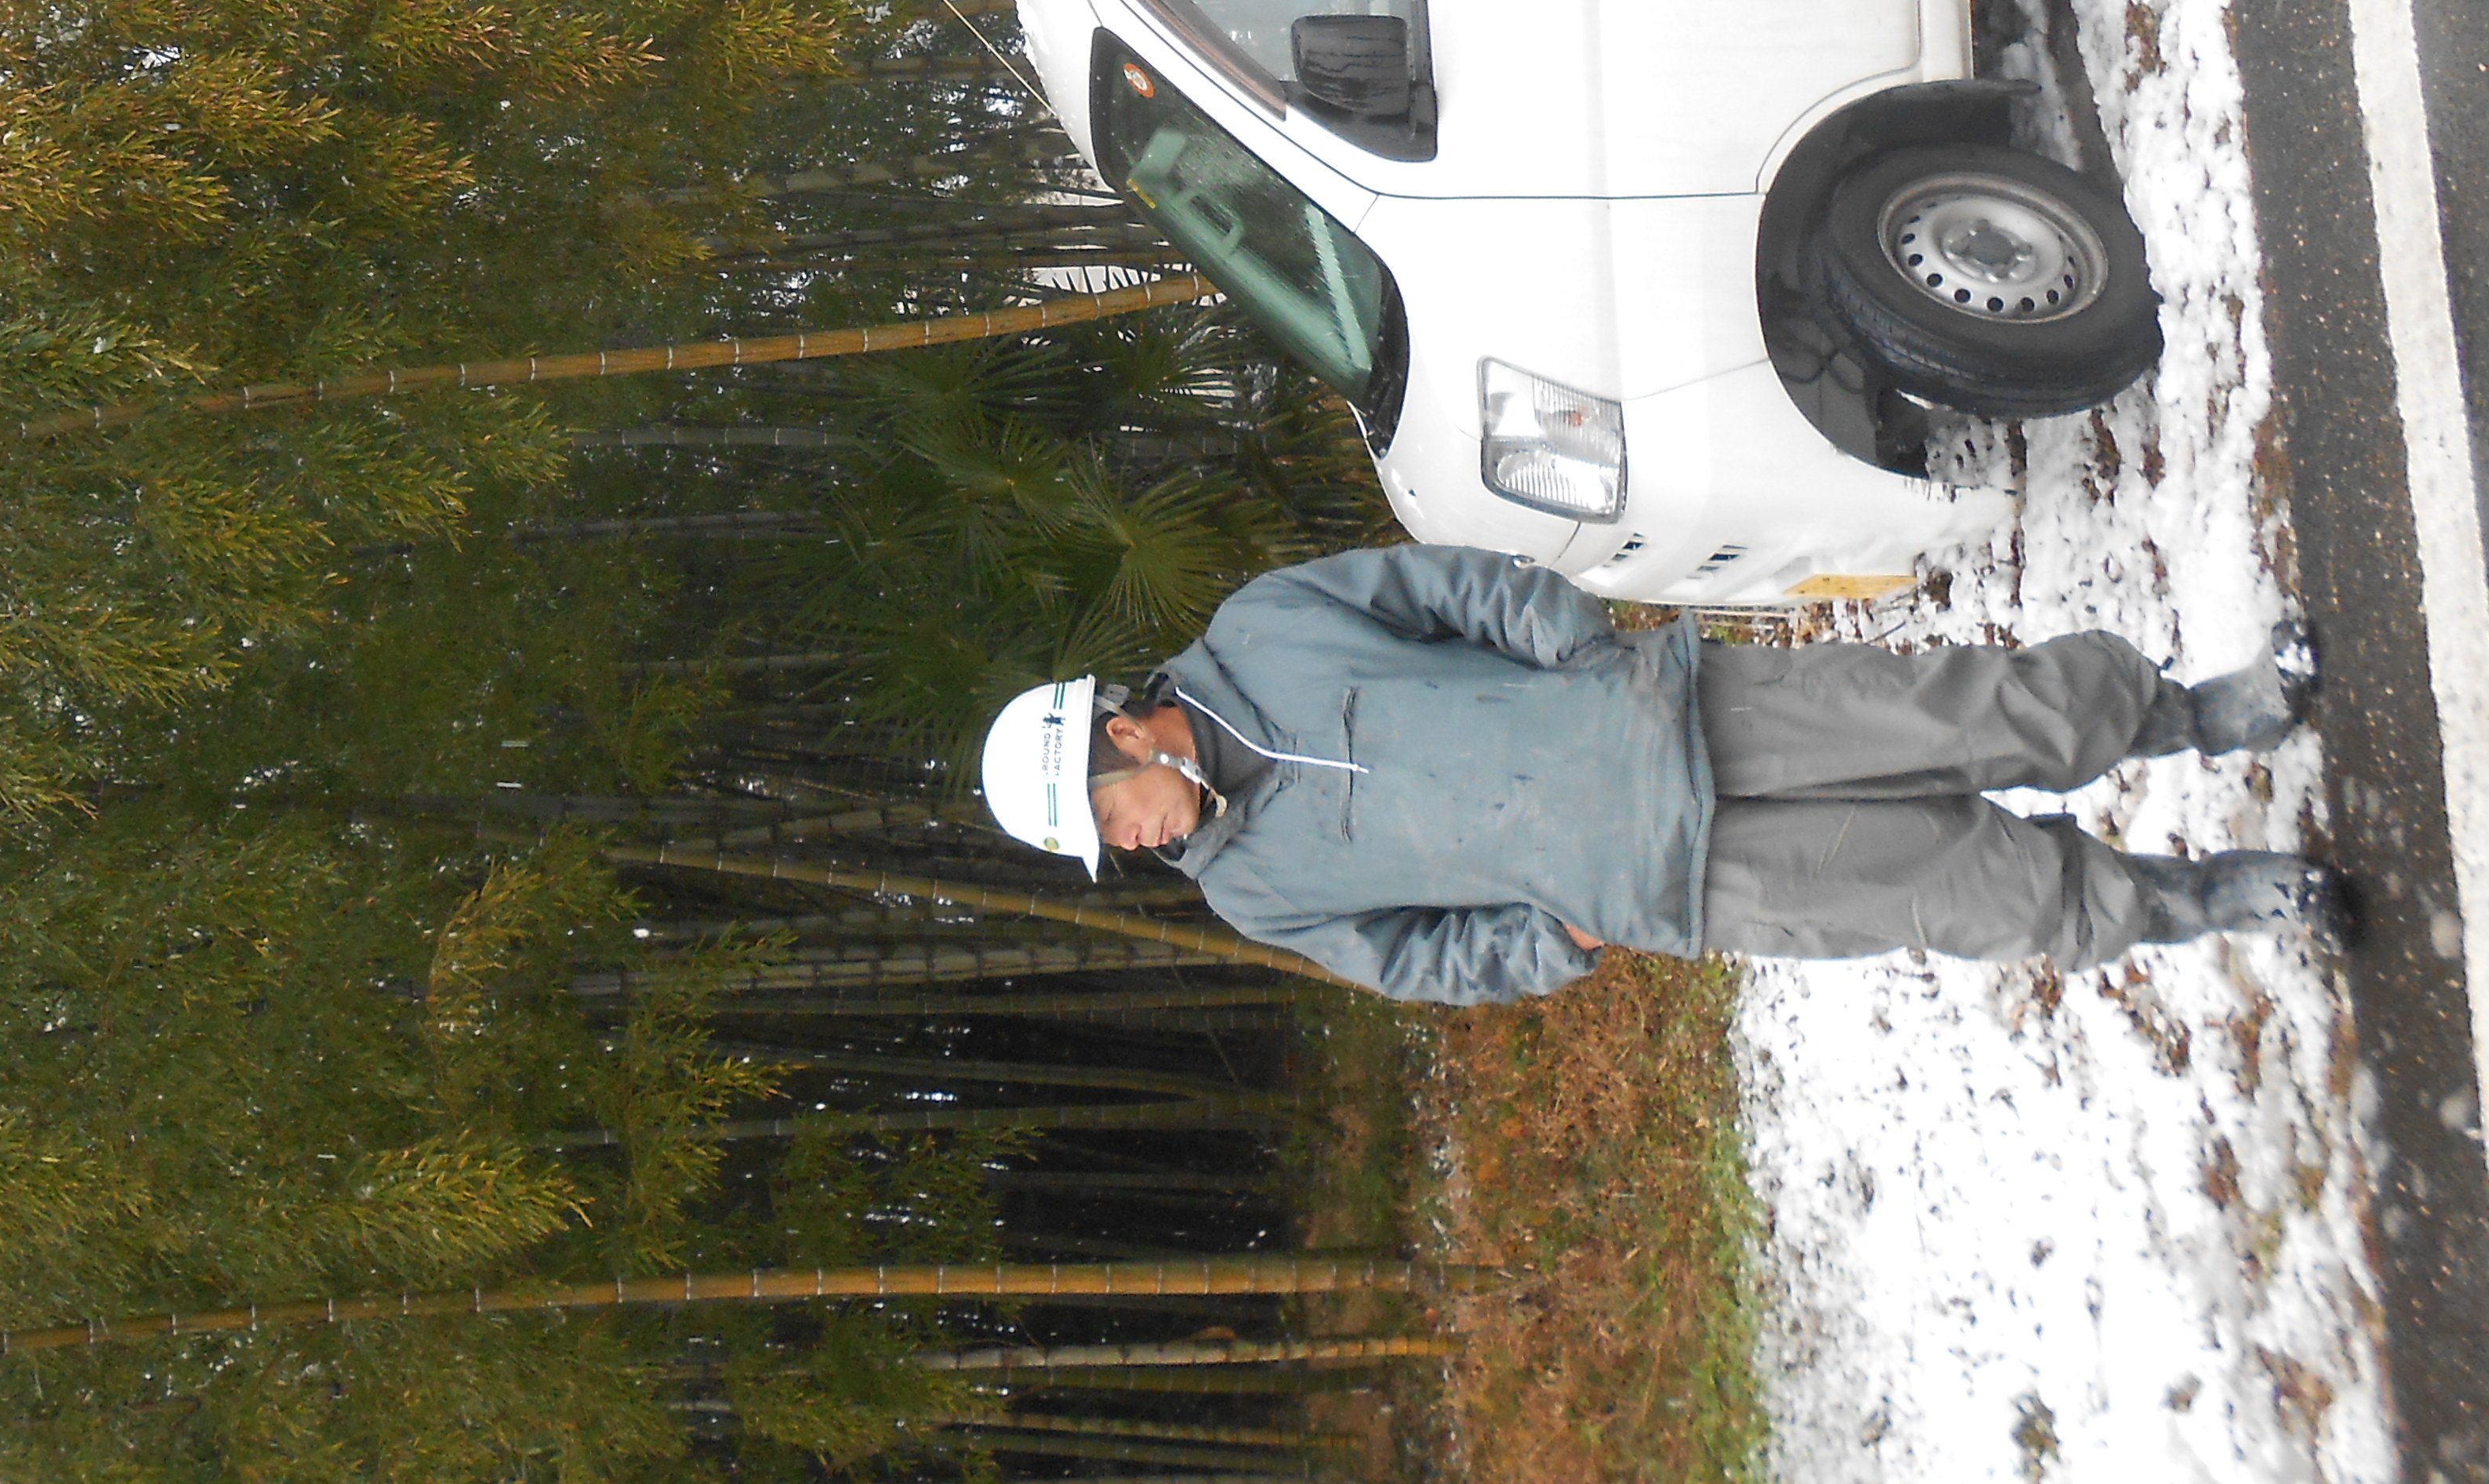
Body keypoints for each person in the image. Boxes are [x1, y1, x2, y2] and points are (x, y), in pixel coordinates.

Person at [976, 542, 2340, 1006]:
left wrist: (1572, 641)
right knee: (1973, 894)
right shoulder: (1251, 892)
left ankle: (2209, 712)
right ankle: (2212, 899)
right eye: (1111, 851)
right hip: (1682, 880)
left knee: (1978, 713)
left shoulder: (1263, 625)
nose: (1133, 846)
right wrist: (1550, 942)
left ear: (1119, 737)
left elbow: (1441, 590)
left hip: (1683, 715)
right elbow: (1410, 962)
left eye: (1109, 819)